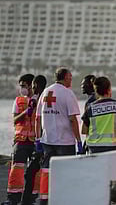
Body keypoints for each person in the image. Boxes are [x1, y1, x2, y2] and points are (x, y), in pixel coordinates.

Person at [35, 68, 83, 205]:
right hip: (65, 141)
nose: (71, 80)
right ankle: (63, 199)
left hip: (47, 140)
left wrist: (38, 139)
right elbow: (73, 120)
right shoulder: (68, 94)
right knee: (66, 172)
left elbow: (37, 118)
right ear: (65, 77)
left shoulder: (45, 92)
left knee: (46, 170)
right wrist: (79, 141)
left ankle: (44, 199)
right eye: (70, 77)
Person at [81, 77, 116, 159]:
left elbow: (84, 130)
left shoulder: (90, 108)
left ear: (96, 91)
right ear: (109, 89)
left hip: (95, 149)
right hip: (114, 147)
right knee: (115, 171)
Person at [4, 74, 35, 205]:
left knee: (35, 172)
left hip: (35, 140)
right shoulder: (18, 100)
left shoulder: (40, 100)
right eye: (21, 86)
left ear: (31, 85)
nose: (21, 88)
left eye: (23, 85)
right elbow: (15, 120)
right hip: (21, 140)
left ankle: (32, 199)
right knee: (16, 169)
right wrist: (25, 112)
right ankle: (13, 198)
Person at [21, 75, 47, 205]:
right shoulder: (46, 97)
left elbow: (37, 119)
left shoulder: (39, 98)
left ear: (36, 85)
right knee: (40, 171)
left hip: (41, 141)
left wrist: (38, 140)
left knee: (31, 172)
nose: (32, 87)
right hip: (45, 140)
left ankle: (27, 201)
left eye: (33, 85)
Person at [80, 74, 96, 154]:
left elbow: (87, 126)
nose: (81, 86)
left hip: (93, 140)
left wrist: (85, 144)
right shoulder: (96, 97)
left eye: (84, 84)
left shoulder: (90, 101)